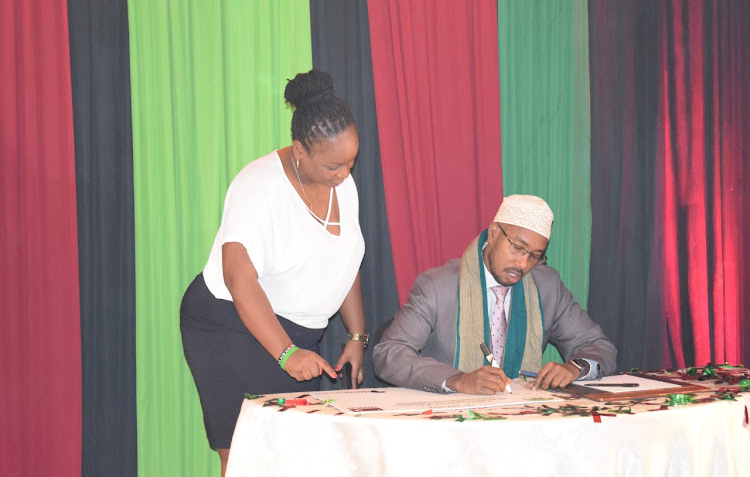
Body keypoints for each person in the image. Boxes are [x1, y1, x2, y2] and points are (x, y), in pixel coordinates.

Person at [180, 69, 369, 475]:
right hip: (231, 325)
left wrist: (356, 335)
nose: (345, 175)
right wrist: (286, 352)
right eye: (334, 165)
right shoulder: (259, 187)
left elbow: (345, 258)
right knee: (250, 456)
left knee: (294, 455)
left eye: (351, 162)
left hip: (296, 334)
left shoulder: (342, 183)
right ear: (300, 150)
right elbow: (239, 279)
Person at [373, 194, 616, 395]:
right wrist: (457, 380)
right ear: (493, 234)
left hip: (522, 417)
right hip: (449, 422)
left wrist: (576, 368)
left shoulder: (547, 286)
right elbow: (389, 354)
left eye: (534, 255)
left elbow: (598, 346)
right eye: (518, 247)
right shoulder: (438, 286)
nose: (522, 264)